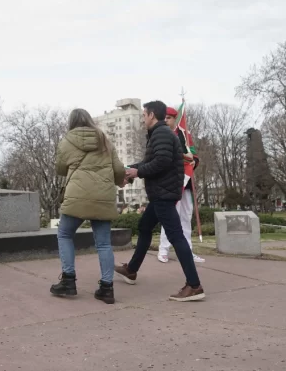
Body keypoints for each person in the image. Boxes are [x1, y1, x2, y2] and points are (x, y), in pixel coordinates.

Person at [115, 101, 205, 302]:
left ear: (152, 115)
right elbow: (150, 163)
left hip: (164, 194)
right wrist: (130, 171)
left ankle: (194, 285)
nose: (143, 118)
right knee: (145, 227)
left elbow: (161, 162)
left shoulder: (162, 133)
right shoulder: (158, 134)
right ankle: (131, 270)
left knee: (176, 237)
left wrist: (138, 171)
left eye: (144, 114)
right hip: (160, 194)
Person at [50, 108, 127, 304]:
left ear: (71, 122)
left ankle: (68, 281)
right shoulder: (104, 140)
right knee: (103, 243)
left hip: (77, 196)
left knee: (65, 234)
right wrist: (120, 181)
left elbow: (60, 169)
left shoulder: (67, 141)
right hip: (102, 197)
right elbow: (118, 169)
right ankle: (107, 288)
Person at [158, 106, 205, 264]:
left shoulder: (185, 135)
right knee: (170, 217)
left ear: (175, 119)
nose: (166, 120)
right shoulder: (160, 134)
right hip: (171, 182)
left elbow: (194, 155)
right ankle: (163, 249)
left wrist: (194, 160)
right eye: (164, 118)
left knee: (186, 217)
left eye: (169, 118)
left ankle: (187, 251)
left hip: (186, 181)